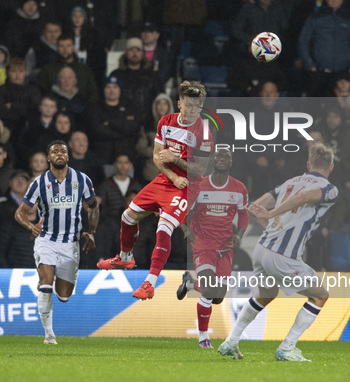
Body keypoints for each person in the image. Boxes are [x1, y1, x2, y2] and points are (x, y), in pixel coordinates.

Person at [218, 143, 338, 362]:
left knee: (266, 295)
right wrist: (273, 213)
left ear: (308, 164)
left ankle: (231, 341)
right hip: (283, 255)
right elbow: (304, 198)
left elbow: (254, 207)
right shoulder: (329, 189)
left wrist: (271, 222)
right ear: (330, 167)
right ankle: (287, 347)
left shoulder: (290, 182)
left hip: (262, 249)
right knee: (320, 295)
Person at [97, 81, 213, 300]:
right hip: (167, 179)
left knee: (164, 228)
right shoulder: (166, 122)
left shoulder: (204, 132)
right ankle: (125, 257)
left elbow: (200, 169)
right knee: (128, 217)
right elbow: (156, 156)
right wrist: (172, 175)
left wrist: (176, 160)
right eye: (190, 105)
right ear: (180, 104)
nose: (194, 110)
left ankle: (149, 284)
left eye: (198, 106)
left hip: (189, 186)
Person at [14, 140, 99, 345]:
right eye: (54, 151)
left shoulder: (82, 179)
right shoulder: (39, 182)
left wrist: (92, 232)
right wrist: (30, 226)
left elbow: (93, 207)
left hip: (71, 243)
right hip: (46, 240)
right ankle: (49, 335)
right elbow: (20, 212)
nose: (59, 154)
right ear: (48, 158)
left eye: (63, 151)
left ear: (68, 156)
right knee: (45, 286)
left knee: (63, 296)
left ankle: (51, 281)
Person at [176, 148, 249, 349]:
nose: (222, 159)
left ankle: (190, 284)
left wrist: (239, 235)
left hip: (225, 247)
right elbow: (182, 209)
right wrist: (184, 228)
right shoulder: (199, 186)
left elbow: (244, 215)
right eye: (218, 156)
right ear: (212, 161)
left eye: (226, 157)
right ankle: (203, 338)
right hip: (202, 243)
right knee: (208, 288)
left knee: (217, 297)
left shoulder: (239, 188)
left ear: (231, 162)